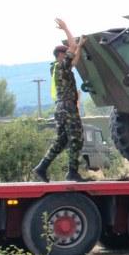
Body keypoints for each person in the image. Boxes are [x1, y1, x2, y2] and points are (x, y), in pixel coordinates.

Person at [31, 19, 88, 183]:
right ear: (61, 55)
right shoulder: (62, 65)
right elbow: (72, 47)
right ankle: (72, 172)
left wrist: (81, 46)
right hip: (68, 107)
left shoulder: (57, 68)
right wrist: (66, 29)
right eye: (66, 53)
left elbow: (75, 60)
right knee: (76, 137)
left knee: (62, 139)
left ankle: (41, 168)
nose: (68, 54)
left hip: (60, 108)